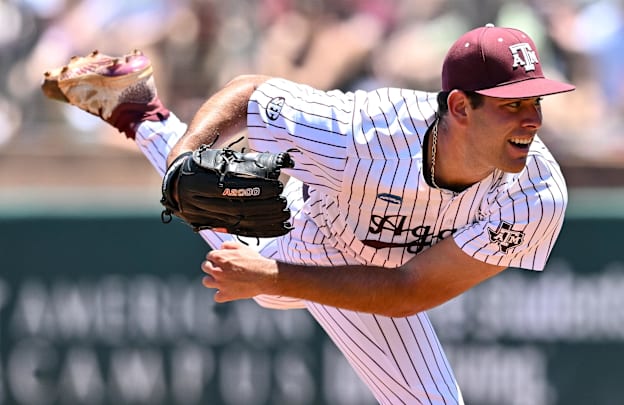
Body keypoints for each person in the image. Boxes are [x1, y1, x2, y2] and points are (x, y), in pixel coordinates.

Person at [42, 24, 574, 404]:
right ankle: (142, 112)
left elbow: (412, 289)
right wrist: (188, 154)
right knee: (205, 193)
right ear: (460, 107)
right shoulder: (366, 130)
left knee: (269, 282)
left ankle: (136, 105)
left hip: (387, 277)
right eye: (512, 105)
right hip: (321, 234)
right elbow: (251, 97)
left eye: (536, 102)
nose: (532, 119)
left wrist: (272, 275)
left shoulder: (537, 193)